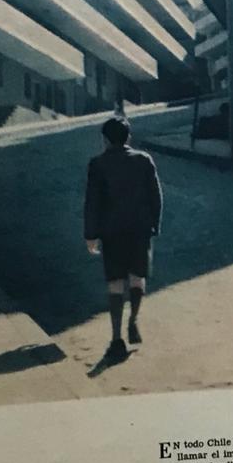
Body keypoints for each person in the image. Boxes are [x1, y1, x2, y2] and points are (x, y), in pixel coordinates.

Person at [84, 116, 162, 364]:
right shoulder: (143, 160)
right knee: (137, 277)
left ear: (105, 140)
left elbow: (92, 203)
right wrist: (154, 225)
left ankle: (116, 337)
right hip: (140, 229)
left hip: (112, 232)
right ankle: (134, 319)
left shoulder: (97, 165)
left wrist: (91, 235)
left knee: (115, 282)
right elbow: (156, 195)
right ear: (128, 137)